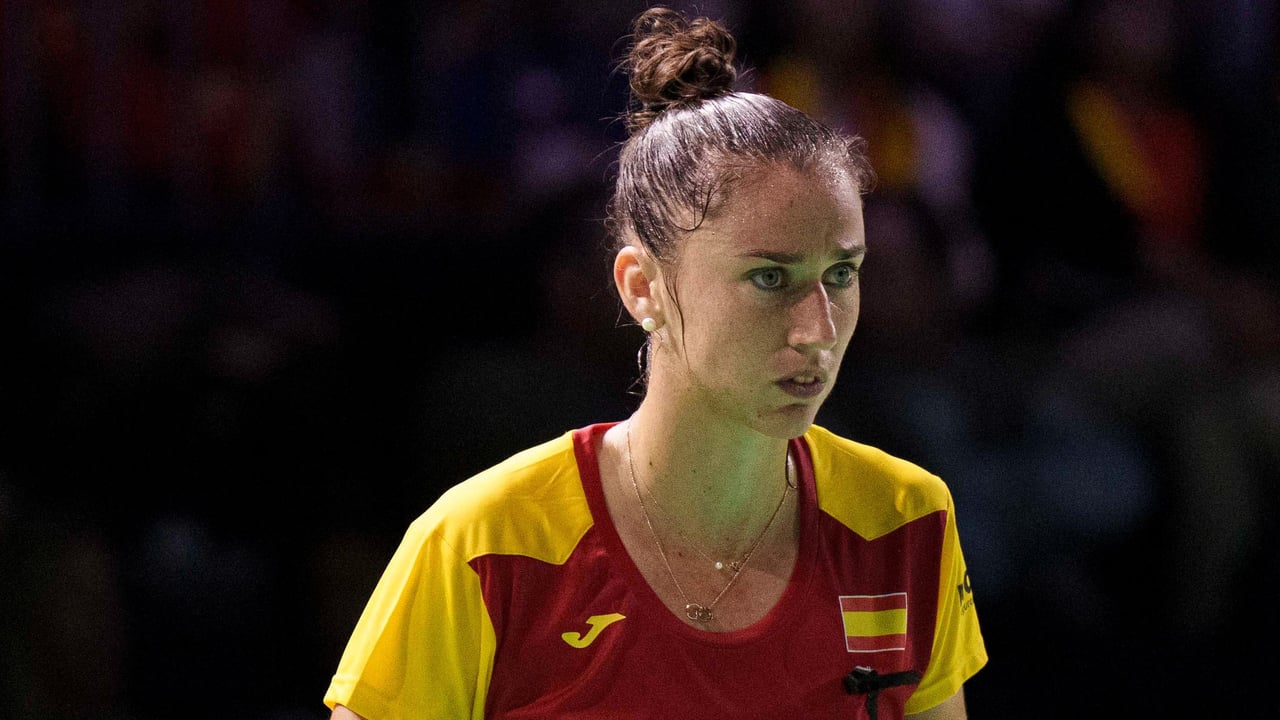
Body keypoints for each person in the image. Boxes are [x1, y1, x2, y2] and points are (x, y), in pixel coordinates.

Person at [323, 7, 987, 719]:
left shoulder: (906, 523)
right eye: (769, 277)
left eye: (842, 274)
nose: (818, 330)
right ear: (642, 287)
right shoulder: (481, 546)